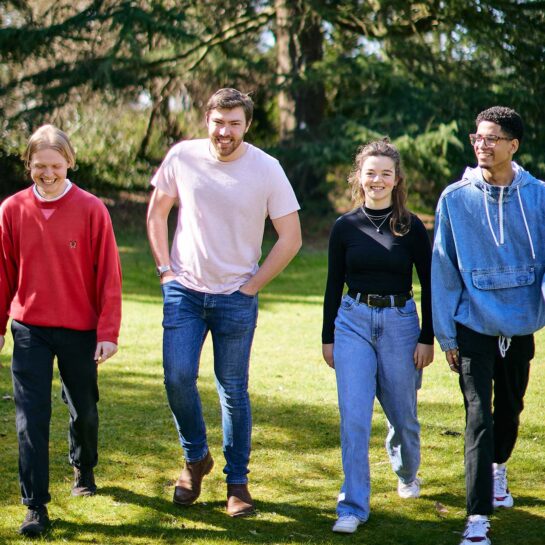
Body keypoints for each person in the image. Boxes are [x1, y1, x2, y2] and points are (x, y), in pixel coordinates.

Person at [146, 87, 301, 517]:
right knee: (177, 378)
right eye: (218, 122)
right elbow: (157, 213)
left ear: (247, 125)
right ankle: (196, 459)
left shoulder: (266, 169)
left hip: (236, 297)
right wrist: (165, 271)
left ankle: (237, 483)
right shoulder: (182, 157)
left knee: (233, 391)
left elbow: (291, 238)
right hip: (184, 292)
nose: (225, 131)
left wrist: (252, 286)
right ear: (207, 121)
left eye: (234, 123)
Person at [0, 125, 122, 536]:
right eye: (39, 166)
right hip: (30, 328)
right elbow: (2, 273)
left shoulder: (92, 209)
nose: (47, 174)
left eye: (55, 165)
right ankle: (35, 506)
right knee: (29, 417)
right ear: (28, 165)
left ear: (70, 162)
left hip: (80, 330)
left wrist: (108, 331)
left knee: (83, 409)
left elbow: (108, 275)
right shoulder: (12, 209)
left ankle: (83, 466)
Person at [432, 106, 545, 545]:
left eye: (492, 138)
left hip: (519, 326)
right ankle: (476, 520)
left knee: (511, 409)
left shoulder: (538, 196)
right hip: (472, 325)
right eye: (477, 137)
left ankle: (499, 467)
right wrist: (446, 334)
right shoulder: (454, 198)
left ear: (513, 145)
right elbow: (443, 268)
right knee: (478, 417)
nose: (482, 145)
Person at [322, 139, 434, 534]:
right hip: (352, 322)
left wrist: (427, 337)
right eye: (370, 172)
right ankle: (352, 506)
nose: (377, 180)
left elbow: (431, 283)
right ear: (359, 177)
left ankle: (406, 472)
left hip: (401, 323)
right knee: (353, 418)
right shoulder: (345, 227)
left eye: (386, 173)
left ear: (397, 180)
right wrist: (328, 337)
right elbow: (334, 283)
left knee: (403, 418)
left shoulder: (412, 227)